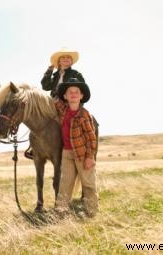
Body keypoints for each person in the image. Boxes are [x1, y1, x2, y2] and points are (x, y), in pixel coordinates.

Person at [54, 78, 98, 217]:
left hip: (82, 153)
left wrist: (90, 157)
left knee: (88, 183)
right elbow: (51, 101)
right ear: (65, 96)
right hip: (67, 153)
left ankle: (91, 211)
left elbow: (91, 138)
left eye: (76, 92)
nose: (73, 94)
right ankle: (61, 211)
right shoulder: (63, 110)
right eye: (70, 92)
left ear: (81, 96)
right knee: (65, 182)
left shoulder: (84, 115)